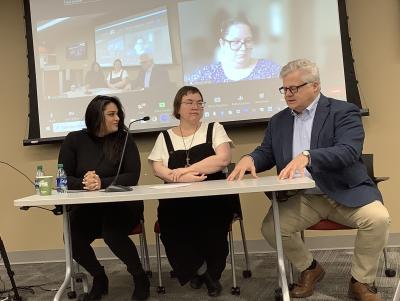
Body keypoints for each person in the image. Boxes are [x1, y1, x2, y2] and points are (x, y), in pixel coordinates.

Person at [228, 59, 390, 301]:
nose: (288, 94)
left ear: (315, 86)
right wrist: (250, 158)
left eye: (295, 88)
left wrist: (309, 156)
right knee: (271, 229)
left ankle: (361, 281)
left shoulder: (343, 111)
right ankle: (311, 268)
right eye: (285, 89)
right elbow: (267, 152)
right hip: (303, 197)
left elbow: (348, 150)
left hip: (343, 192)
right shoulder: (278, 121)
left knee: (378, 219)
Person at [58, 95, 150, 301]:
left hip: (121, 205)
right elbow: (62, 178)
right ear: (96, 116)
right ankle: (99, 277)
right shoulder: (74, 140)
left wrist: (102, 182)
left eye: (118, 114)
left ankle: (140, 276)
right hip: (88, 208)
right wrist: (84, 182)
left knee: (112, 234)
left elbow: (132, 176)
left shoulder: (124, 138)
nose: (117, 118)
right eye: (111, 114)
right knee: (71, 238)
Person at [148, 86, 237, 297]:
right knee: (171, 229)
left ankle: (208, 273)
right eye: (189, 102)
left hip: (212, 199)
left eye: (199, 102)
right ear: (177, 108)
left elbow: (223, 159)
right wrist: (177, 177)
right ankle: (203, 272)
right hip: (176, 201)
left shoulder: (214, 129)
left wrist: (185, 171)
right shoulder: (165, 136)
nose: (195, 106)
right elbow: (157, 167)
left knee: (212, 227)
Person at [185, 18, 280, 84]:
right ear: (222, 44)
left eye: (248, 41)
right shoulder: (206, 74)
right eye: (235, 42)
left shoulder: (271, 69)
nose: (243, 48)